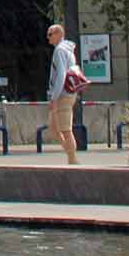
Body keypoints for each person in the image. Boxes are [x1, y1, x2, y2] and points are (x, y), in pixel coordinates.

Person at [45, 23, 80, 165]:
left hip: (63, 95)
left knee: (65, 129)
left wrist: (54, 97)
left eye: (50, 34)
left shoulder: (60, 50)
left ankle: (72, 159)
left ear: (59, 34)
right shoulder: (67, 50)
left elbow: (61, 75)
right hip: (67, 92)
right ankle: (70, 154)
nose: (48, 38)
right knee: (53, 128)